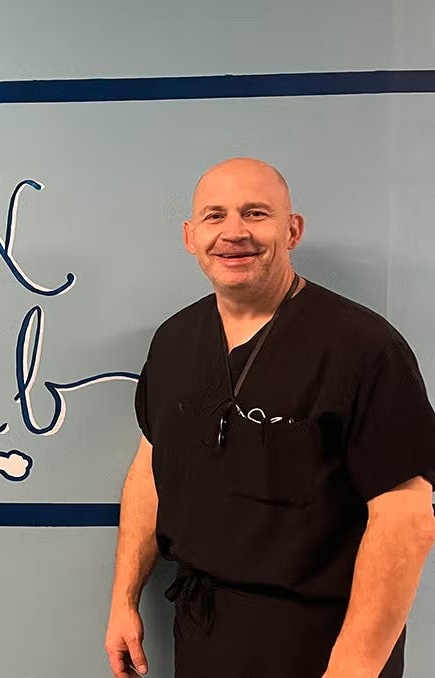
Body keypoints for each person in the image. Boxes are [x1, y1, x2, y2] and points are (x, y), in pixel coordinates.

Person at [103, 157, 435, 677]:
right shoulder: (172, 343)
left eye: (255, 213)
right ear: (191, 236)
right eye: (215, 216)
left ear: (292, 229)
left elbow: (405, 516)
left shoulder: (364, 349)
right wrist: (124, 599)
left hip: (321, 645)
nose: (233, 232)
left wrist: (352, 667)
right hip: (202, 635)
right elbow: (150, 467)